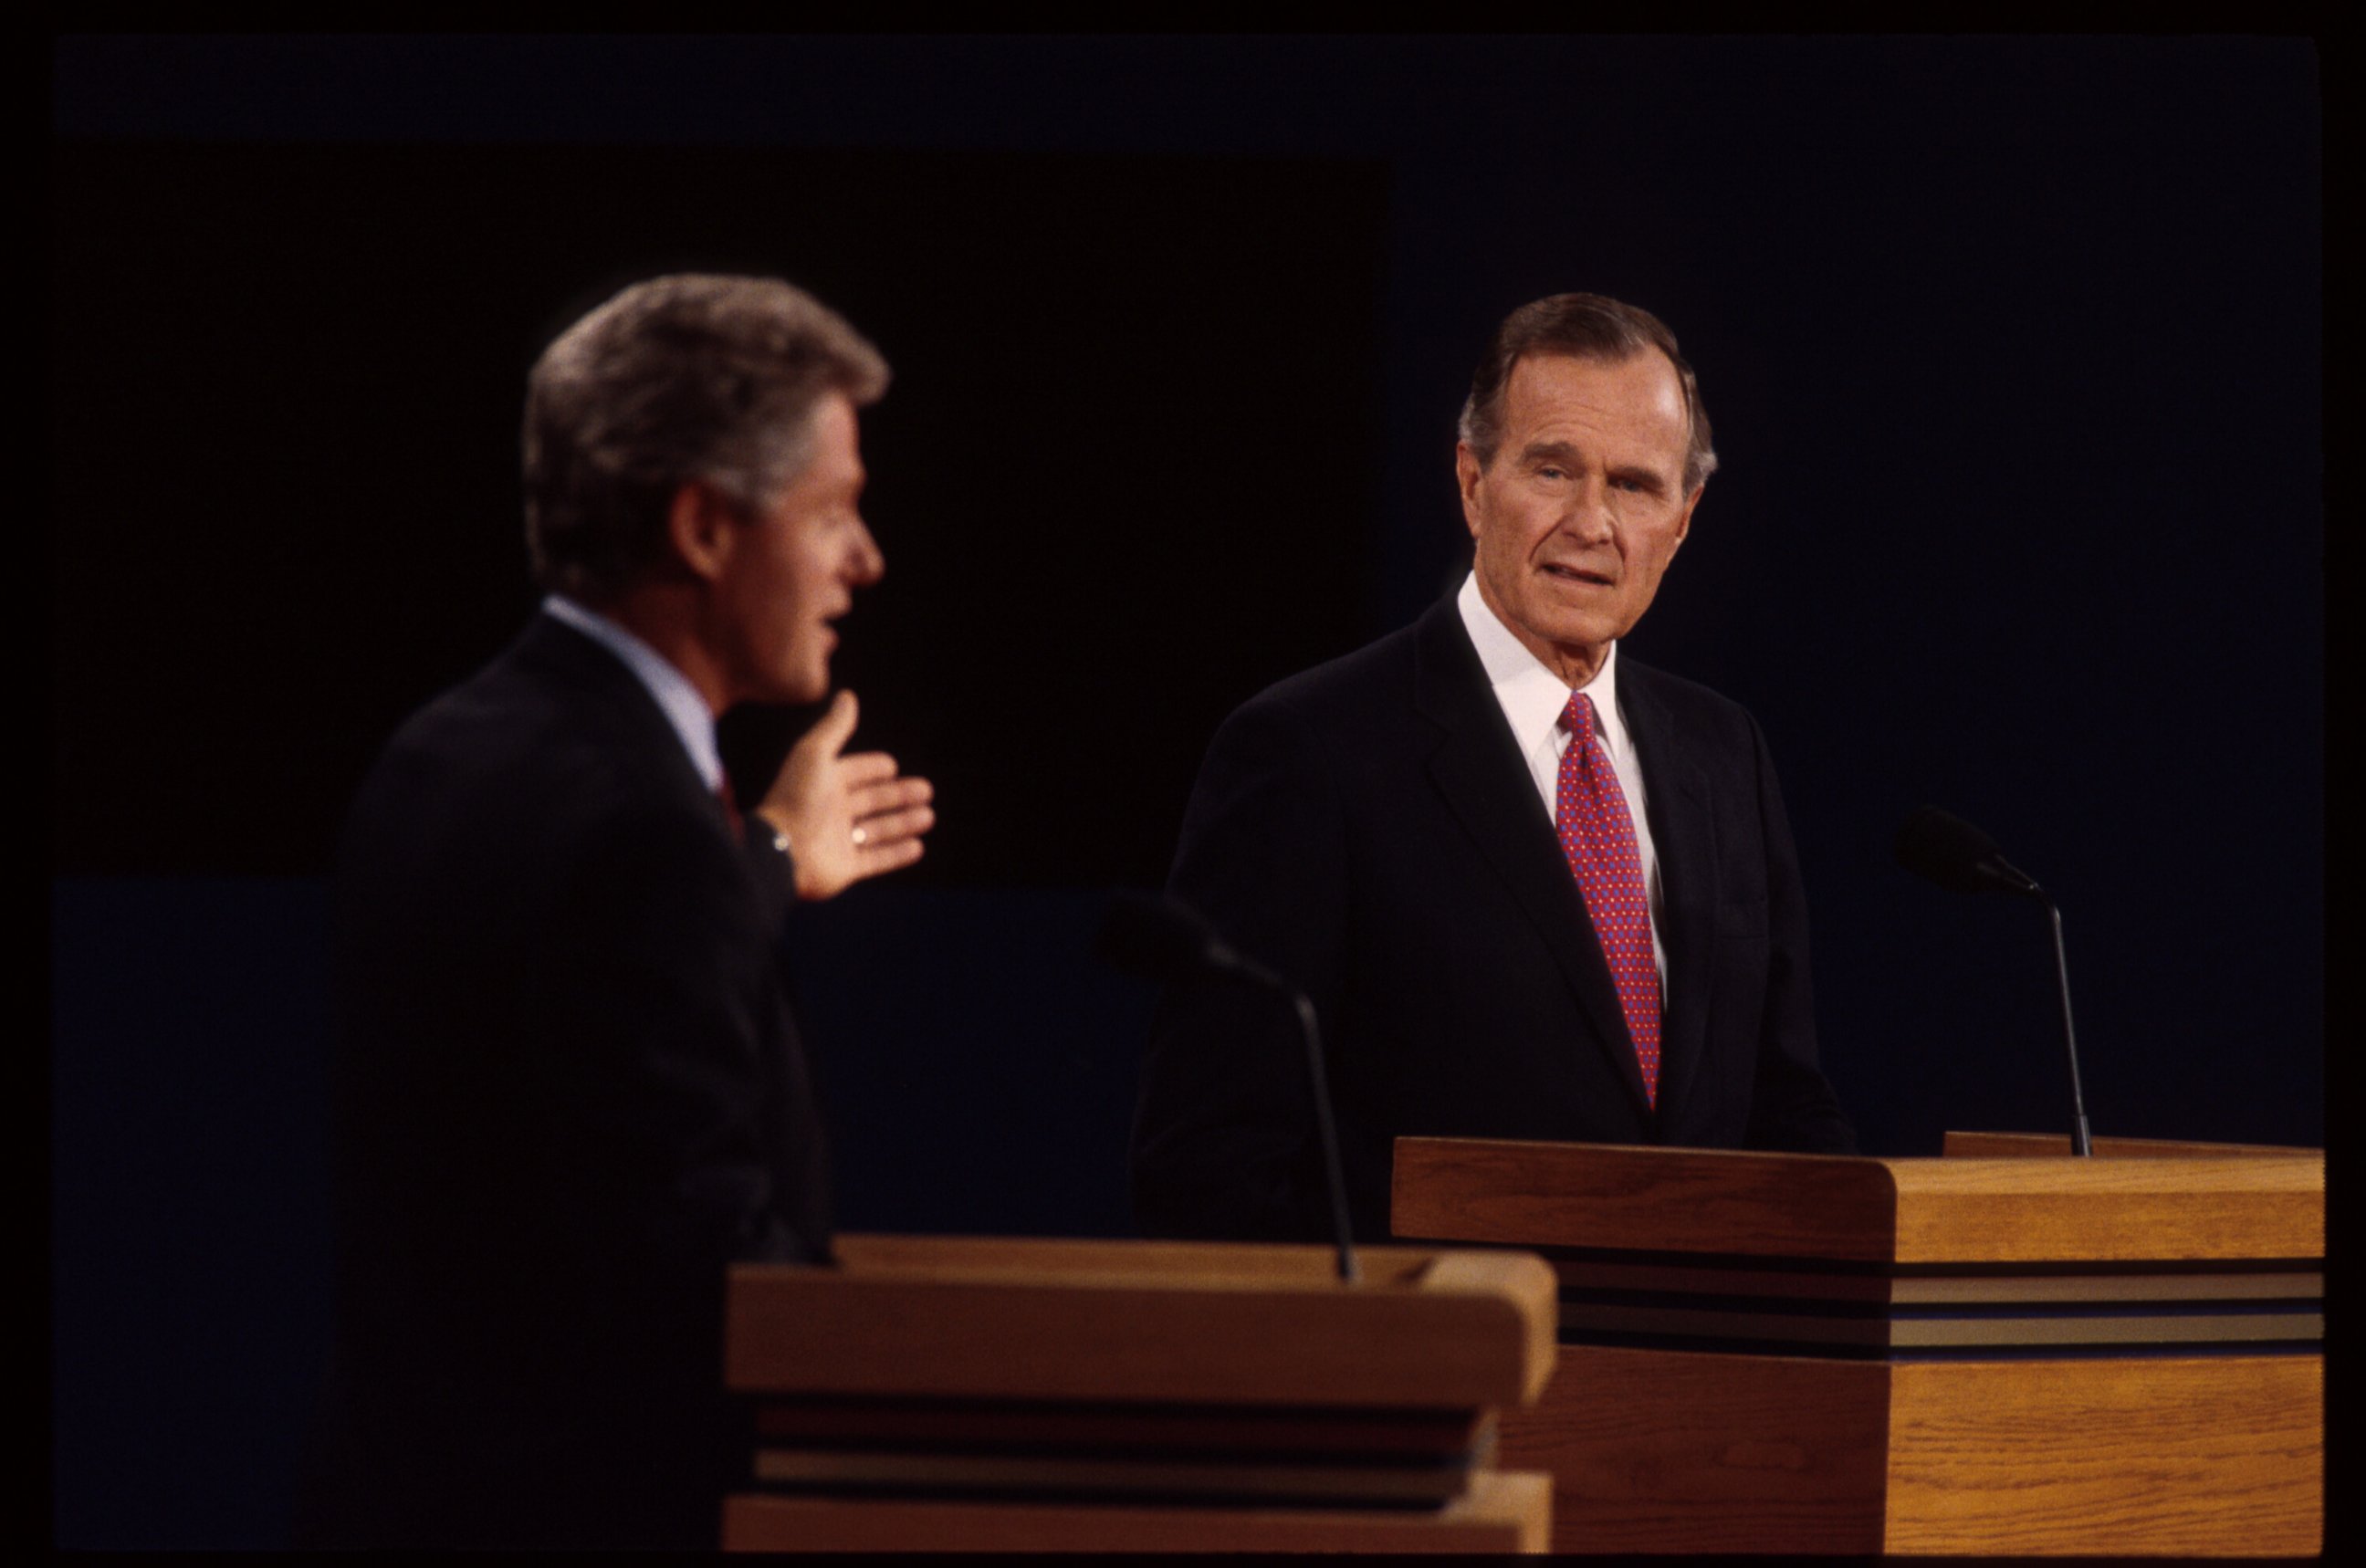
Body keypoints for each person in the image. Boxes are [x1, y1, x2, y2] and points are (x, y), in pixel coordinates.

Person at [296, 274, 934, 1548]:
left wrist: (756, 854)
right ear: (704, 526)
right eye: (833, 512)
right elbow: (698, 1281)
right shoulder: (645, 834)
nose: (864, 559)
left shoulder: (444, 748)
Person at [1130, 293, 1853, 1245]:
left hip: (1687, 1381)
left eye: (1635, 485)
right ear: (1473, 481)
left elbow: (1784, 1110)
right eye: (1553, 469)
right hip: (1439, 1366)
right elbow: (1212, 1169)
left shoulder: (1723, 755)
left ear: (1683, 519)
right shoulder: (1310, 750)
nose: (1593, 522)